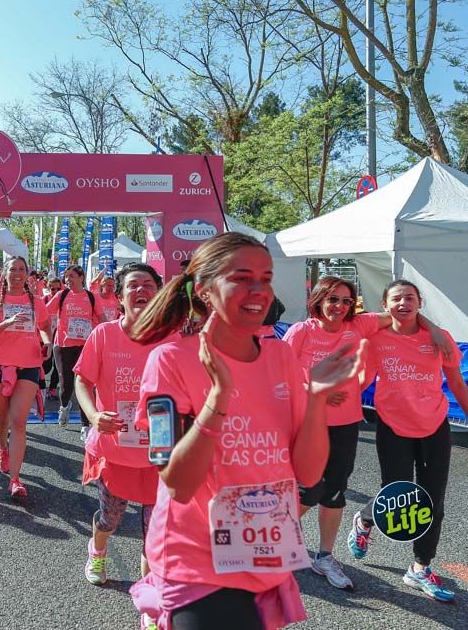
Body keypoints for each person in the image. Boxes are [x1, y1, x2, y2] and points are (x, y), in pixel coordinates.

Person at [130, 232, 365, 629]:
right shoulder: (168, 361)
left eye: (266, 278)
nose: (259, 290)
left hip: (266, 556)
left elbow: (308, 475)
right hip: (196, 561)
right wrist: (218, 398)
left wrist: (316, 399)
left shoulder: (281, 355)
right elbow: (178, 484)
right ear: (204, 289)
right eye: (242, 278)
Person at [282, 276, 452, 591]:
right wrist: (313, 389)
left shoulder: (358, 326)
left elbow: (404, 312)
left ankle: (325, 557)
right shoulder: (301, 331)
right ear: (318, 299)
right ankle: (269, 539)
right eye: (333, 299)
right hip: (307, 421)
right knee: (309, 490)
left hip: (346, 422)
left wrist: (435, 329)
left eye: (346, 300)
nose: (339, 306)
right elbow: (281, 375)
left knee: (335, 491)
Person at [348, 279, 468, 603]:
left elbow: (457, 382)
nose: (403, 304)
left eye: (410, 298)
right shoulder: (375, 339)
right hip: (393, 427)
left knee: (433, 501)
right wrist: (331, 400)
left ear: (420, 303)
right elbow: (363, 380)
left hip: (434, 426)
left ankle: (420, 568)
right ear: (385, 305)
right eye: (396, 298)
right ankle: (365, 519)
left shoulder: (439, 338)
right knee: (397, 496)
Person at [74, 263, 166, 585]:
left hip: (159, 452)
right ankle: (97, 551)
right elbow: (83, 381)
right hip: (115, 450)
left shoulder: (171, 338)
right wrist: (94, 417)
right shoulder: (104, 334)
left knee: (154, 531)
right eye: (133, 285)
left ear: (158, 293)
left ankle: (149, 598)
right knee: (110, 520)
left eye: (148, 285)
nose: (140, 290)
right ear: (121, 297)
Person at [0, 256, 52, 500]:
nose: (17, 273)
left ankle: (15, 480)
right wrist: (7, 322)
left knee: (18, 422)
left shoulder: (36, 301)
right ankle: (2, 446)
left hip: (28, 365)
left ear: (27, 273)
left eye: (22, 269)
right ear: (5, 273)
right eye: (13, 269)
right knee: (2, 419)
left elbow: (45, 326)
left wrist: (48, 342)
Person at [47, 265, 101, 440]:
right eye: (66, 276)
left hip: (85, 346)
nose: (68, 279)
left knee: (85, 384)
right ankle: (64, 406)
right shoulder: (61, 295)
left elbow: (103, 319)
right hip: (63, 346)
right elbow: (44, 312)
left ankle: (85, 425)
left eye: (71, 276)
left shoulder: (91, 297)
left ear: (81, 277)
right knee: (66, 383)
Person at [42, 277, 63, 402]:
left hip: (59, 337)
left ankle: (52, 388)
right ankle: (39, 385)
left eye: (58, 289)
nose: (55, 291)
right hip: (46, 337)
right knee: (46, 366)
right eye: (52, 289)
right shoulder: (45, 299)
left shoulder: (64, 299)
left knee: (58, 366)